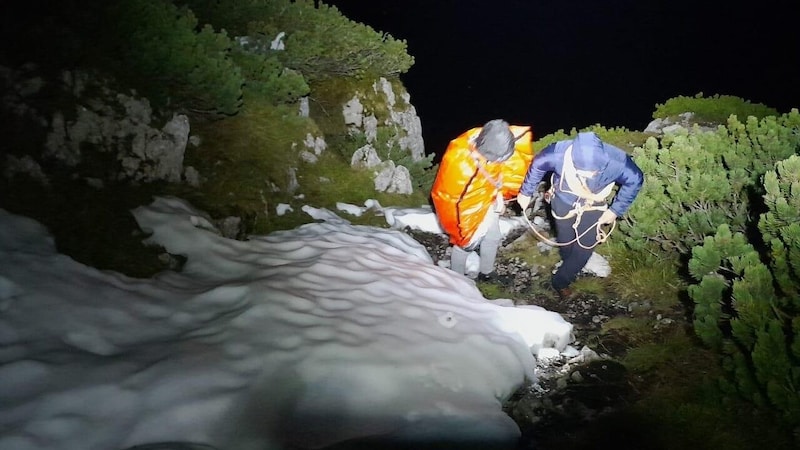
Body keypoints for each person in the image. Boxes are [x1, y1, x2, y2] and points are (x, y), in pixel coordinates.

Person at [516, 131, 644, 299]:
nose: (589, 175)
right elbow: (538, 164)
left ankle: (560, 281)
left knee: (585, 247)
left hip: (594, 205)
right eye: (583, 172)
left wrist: (614, 211)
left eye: (594, 172)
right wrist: (525, 192)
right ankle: (570, 263)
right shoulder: (557, 153)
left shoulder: (618, 162)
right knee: (565, 239)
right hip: (562, 200)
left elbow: (636, 179)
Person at [431, 119, 533, 280]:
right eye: (500, 159)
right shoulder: (460, 166)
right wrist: (465, 233)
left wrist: (499, 194)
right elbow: (451, 202)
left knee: (492, 236)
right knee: (464, 245)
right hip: (465, 210)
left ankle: (486, 273)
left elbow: (498, 173)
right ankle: (456, 281)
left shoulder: (494, 140)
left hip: (487, 199)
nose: (503, 161)